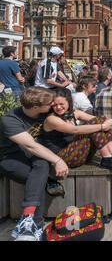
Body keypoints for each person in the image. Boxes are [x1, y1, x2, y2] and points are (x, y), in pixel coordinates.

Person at [0, 87, 69, 241]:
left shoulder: (45, 112)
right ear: (36, 107)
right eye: (50, 103)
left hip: (35, 157)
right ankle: (34, 222)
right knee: (38, 177)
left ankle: (29, 221)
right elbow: (31, 145)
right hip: (10, 158)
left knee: (41, 167)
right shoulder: (10, 120)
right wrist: (57, 160)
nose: (53, 104)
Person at [39, 88, 112, 172]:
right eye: (54, 105)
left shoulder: (74, 113)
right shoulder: (51, 119)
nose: (58, 107)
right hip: (63, 158)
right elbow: (75, 130)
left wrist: (107, 121)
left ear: (68, 102)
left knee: (100, 120)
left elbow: (99, 119)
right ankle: (107, 157)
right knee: (96, 125)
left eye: (61, 104)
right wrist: (102, 126)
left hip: (79, 153)